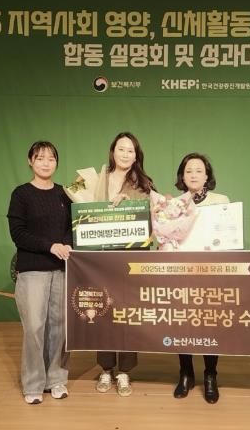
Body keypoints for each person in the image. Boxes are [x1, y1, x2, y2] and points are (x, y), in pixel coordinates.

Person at [7, 141, 72, 405]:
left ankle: (56, 379)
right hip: (32, 270)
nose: (46, 163)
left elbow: (73, 226)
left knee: (60, 328)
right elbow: (18, 233)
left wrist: (67, 244)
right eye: (40, 158)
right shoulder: (21, 194)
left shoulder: (64, 194)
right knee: (34, 327)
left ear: (57, 162)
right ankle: (33, 383)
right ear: (30, 161)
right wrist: (50, 246)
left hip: (62, 270)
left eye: (51, 158)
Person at [94, 132, 155, 397]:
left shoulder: (144, 183)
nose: (126, 154)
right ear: (113, 151)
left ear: (136, 155)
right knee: (104, 309)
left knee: (128, 312)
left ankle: (125, 371)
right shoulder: (96, 178)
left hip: (132, 257)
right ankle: (106, 368)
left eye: (131, 150)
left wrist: (129, 205)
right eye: (121, 149)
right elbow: (81, 207)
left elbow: (154, 218)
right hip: (100, 257)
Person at [172, 152, 229, 404]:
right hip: (182, 273)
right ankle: (186, 373)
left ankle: (210, 374)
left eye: (198, 170)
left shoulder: (221, 201)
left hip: (211, 274)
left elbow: (227, 237)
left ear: (207, 176)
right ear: (182, 177)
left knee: (209, 324)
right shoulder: (174, 204)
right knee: (182, 323)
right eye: (188, 171)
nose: (193, 175)